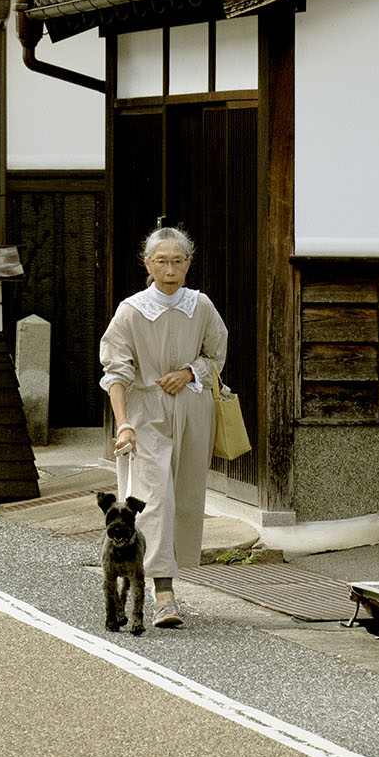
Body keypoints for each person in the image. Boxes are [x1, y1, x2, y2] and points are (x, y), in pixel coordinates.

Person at [99, 226, 227, 628]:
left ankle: (157, 582)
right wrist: (123, 425)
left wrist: (190, 372)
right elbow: (115, 370)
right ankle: (163, 594)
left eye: (177, 260)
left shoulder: (201, 306)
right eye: (162, 261)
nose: (170, 269)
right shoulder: (131, 310)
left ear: (189, 263)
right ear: (147, 264)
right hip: (145, 413)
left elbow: (216, 354)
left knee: (186, 497)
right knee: (153, 500)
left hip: (192, 410)